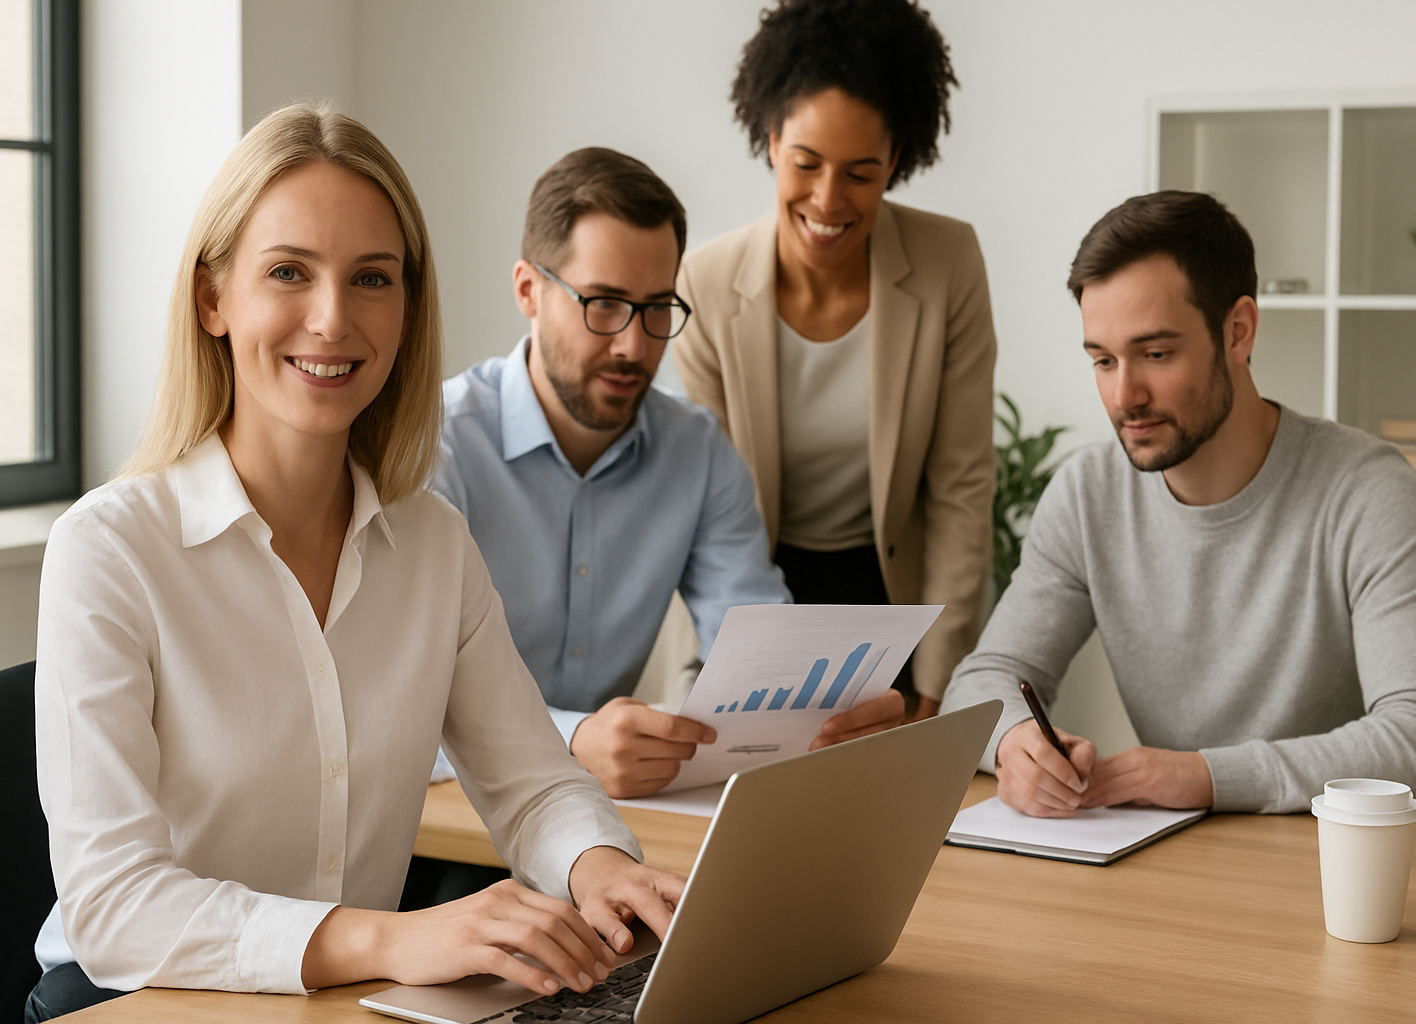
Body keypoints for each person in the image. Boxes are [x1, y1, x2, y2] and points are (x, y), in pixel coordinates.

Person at [28, 106, 681, 1022]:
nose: (333, 319)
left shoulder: (434, 545)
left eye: (372, 278)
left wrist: (601, 868)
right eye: (289, 272)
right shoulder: (109, 550)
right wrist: (401, 935)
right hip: (132, 1000)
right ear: (213, 299)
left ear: (407, 309)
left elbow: (532, 783)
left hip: (341, 998)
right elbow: (113, 907)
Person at [939, 190, 1416, 817]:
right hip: (1176, 867)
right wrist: (1015, 742)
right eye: (1103, 360)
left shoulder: (1366, 492)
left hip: (1332, 872)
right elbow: (982, 680)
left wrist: (1209, 776)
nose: (1124, 395)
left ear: (1238, 332)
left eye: (1156, 354)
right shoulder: (1088, 494)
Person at [434, 147, 906, 800]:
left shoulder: (698, 452)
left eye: (658, 309)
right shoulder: (439, 446)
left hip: (596, 824)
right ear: (528, 291)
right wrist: (570, 742)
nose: (634, 344)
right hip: (444, 829)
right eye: (603, 304)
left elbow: (758, 651)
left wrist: (827, 717)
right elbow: (398, 701)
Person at [673, 0, 997, 720]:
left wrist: (936, 684)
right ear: (770, 138)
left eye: (861, 172)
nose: (828, 200)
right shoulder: (705, 282)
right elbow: (711, 505)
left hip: (897, 592)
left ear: (899, 160)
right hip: (755, 577)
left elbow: (961, 486)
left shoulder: (949, 263)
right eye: (806, 163)